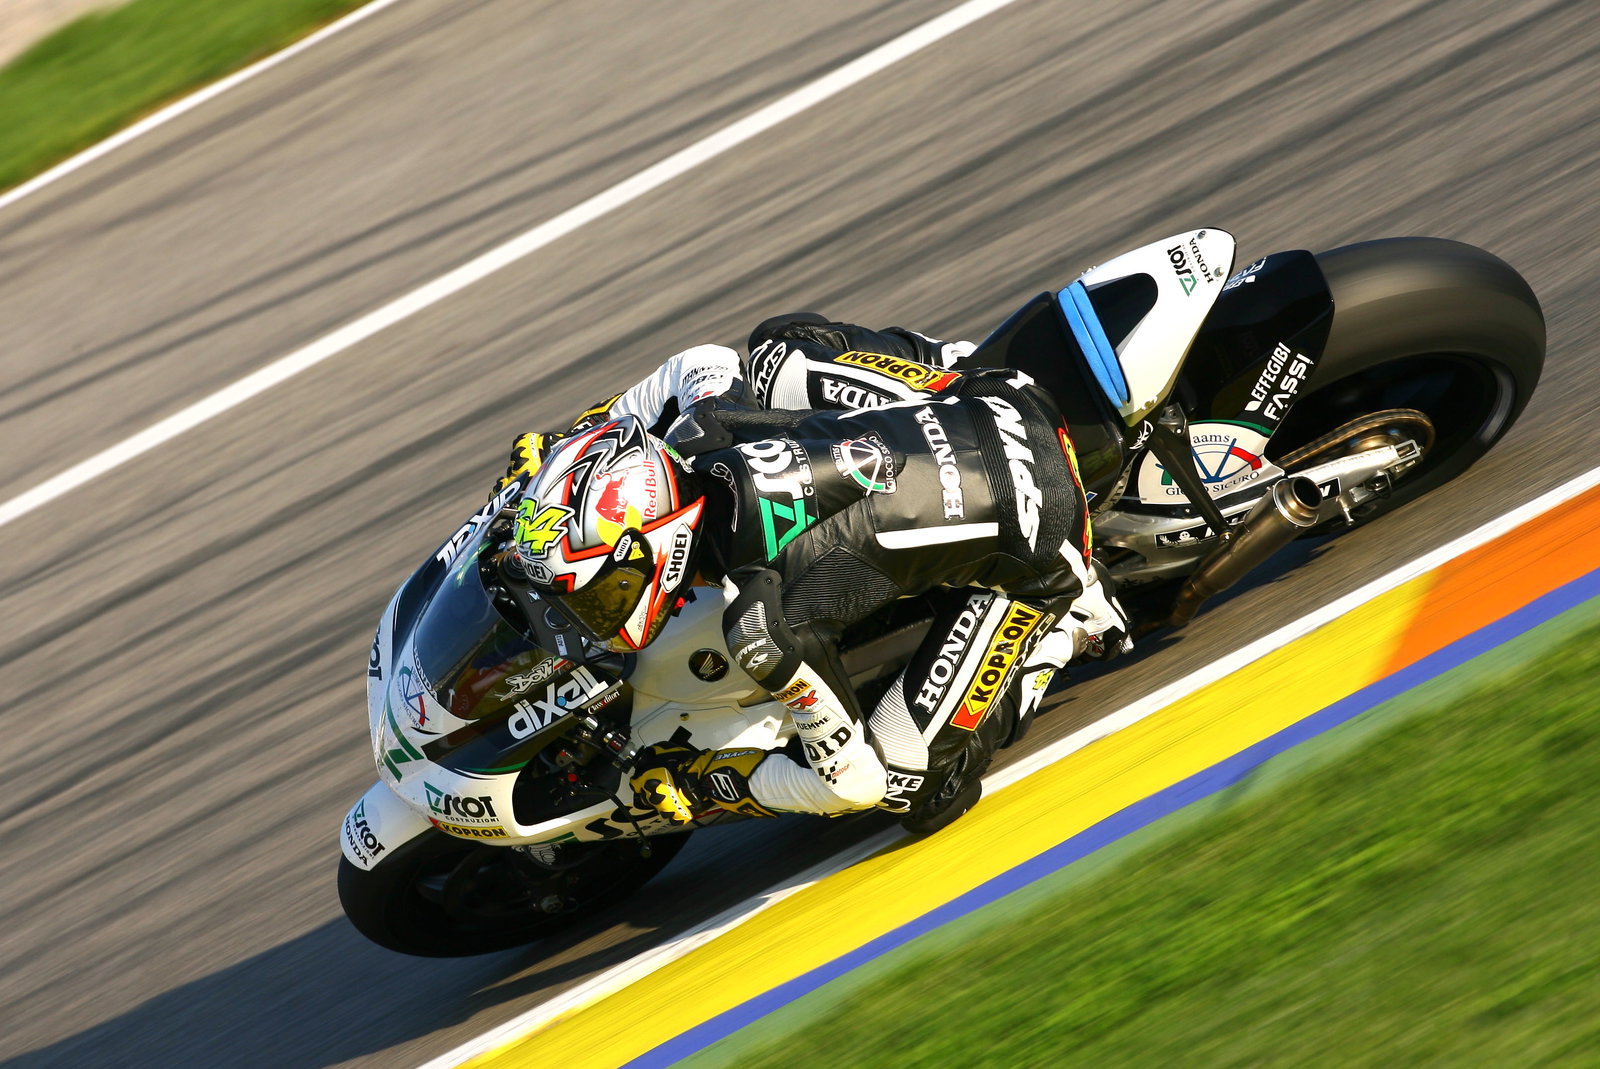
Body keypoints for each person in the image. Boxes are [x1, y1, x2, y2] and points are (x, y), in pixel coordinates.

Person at [497, 315, 1131, 830]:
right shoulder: (703, 432)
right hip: (990, 391)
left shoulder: (762, 629)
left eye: (603, 598)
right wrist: (574, 437)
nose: (592, 617)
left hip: (1039, 529)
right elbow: (699, 363)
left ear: (657, 551)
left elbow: (850, 785)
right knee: (776, 351)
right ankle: (949, 364)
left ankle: (1070, 623)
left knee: (908, 784)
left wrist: (705, 780)